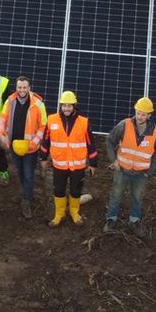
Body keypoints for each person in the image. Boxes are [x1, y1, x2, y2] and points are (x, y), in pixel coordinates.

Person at [102, 98, 156, 236]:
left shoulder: (155, 130)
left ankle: (134, 221)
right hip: (122, 169)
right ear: (135, 111)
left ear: (149, 115)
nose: (140, 116)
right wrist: (114, 160)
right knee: (116, 195)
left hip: (141, 173)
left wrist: (150, 172)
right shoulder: (124, 125)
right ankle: (111, 219)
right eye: (138, 113)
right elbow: (109, 140)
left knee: (137, 198)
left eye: (144, 114)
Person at [0, 76, 47, 218]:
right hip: (14, 146)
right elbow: (2, 119)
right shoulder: (10, 101)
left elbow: (43, 125)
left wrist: (34, 142)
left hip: (30, 148)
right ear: (16, 88)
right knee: (20, 172)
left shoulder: (38, 104)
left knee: (29, 175)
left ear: (29, 88)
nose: (22, 90)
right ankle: (25, 193)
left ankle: (26, 201)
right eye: (19, 87)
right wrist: (2, 134)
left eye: (24, 87)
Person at [44, 90, 94, 227]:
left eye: (69, 105)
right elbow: (46, 140)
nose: (66, 108)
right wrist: (43, 157)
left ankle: (74, 212)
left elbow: (90, 143)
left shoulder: (84, 122)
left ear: (74, 106)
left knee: (76, 190)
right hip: (59, 165)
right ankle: (59, 214)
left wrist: (93, 163)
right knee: (58, 190)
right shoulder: (51, 119)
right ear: (60, 106)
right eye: (64, 105)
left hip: (77, 166)